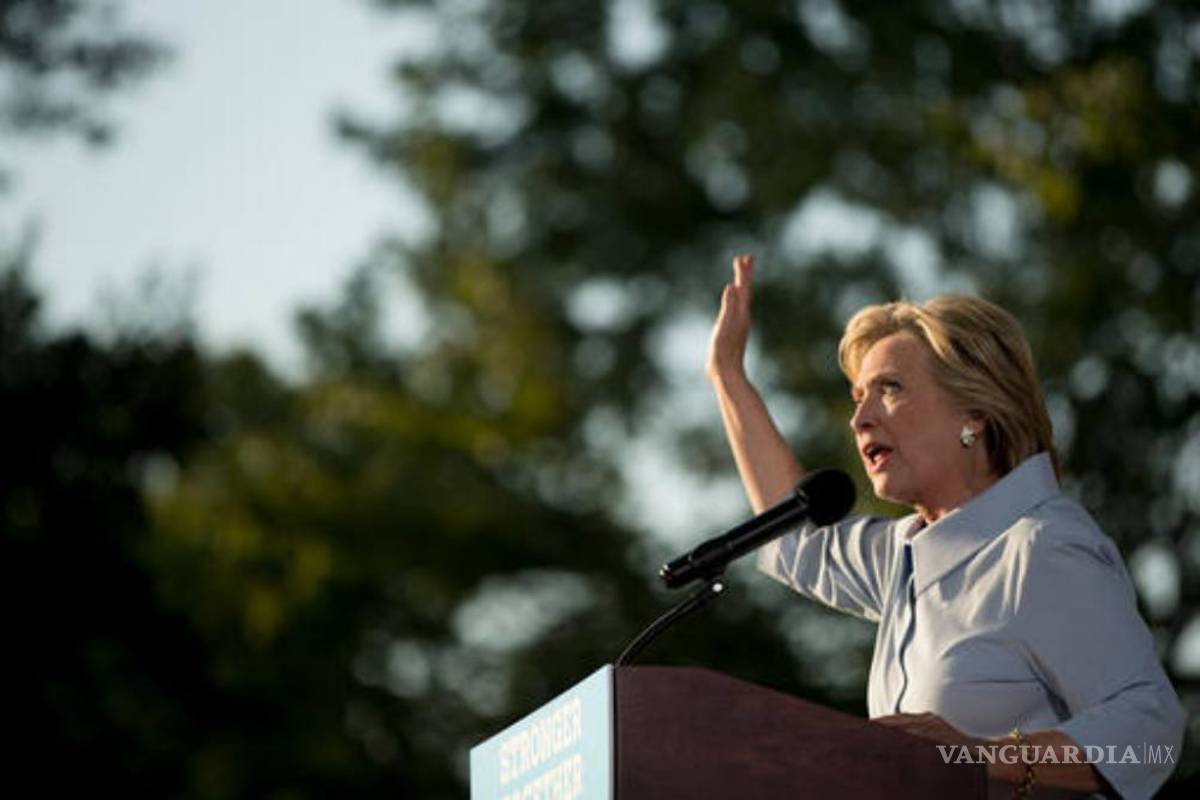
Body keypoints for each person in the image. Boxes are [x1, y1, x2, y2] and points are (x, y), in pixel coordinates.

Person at [706, 254, 1185, 799]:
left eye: (889, 388)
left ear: (973, 414)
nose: (860, 418)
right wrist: (727, 374)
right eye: (858, 398)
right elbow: (793, 536)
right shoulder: (905, 557)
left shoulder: (1042, 547)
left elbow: (1150, 737)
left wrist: (976, 757)